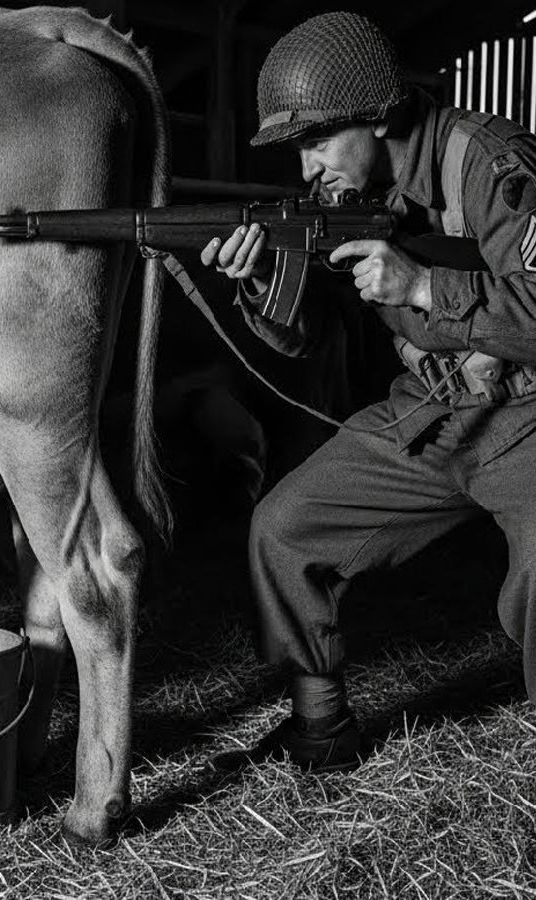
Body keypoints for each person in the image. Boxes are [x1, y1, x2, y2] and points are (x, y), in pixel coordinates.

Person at [201, 10, 536, 773]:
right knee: (285, 528)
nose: (307, 169)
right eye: (297, 150)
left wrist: (422, 285)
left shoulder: (491, 164)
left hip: (528, 417)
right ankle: (321, 730)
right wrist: (258, 279)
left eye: (317, 141)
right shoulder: (352, 193)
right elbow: (311, 335)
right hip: (432, 411)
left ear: (381, 116)